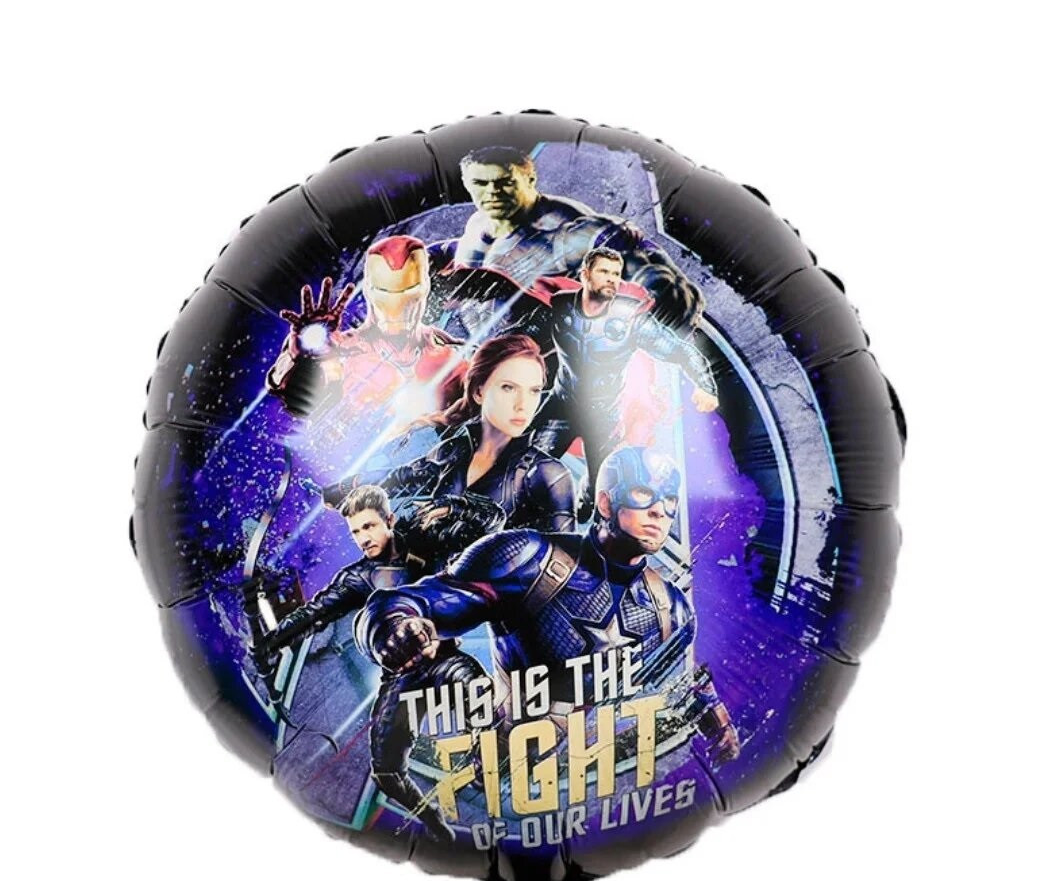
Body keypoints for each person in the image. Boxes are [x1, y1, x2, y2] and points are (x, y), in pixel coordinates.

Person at [357, 446, 739, 763]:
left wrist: (716, 718)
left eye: (669, 500)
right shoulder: (527, 558)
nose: (659, 510)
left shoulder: (672, 611)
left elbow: (680, 679)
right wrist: (393, 626)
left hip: (560, 760)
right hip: (491, 732)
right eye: (643, 494)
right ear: (606, 502)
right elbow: (414, 602)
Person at [253, 483, 496, 843]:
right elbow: (314, 613)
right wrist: (270, 642)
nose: (363, 538)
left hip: (445, 660)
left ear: (389, 520)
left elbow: (492, 523)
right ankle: (436, 826)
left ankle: (488, 769)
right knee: (386, 772)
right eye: (355, 532)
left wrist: (452, 507)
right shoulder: (357, 578)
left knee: (484, 703)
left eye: (368, 526)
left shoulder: (426, 543)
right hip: (401, 677)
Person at [433, 145, 704, 335]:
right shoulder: (479, 224)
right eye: (480, 184)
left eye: (505, 182)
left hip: (554, 366)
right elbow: (469, 254)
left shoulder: (567, 229)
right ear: (467, 184)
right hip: (490, 363)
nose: (493, 192)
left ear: (530, 179)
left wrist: (663, 295)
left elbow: (652, 274)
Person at [324, 332, 576, 534]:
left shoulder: (547, 474)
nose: (523, 404)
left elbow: (563, 558)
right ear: (479, 392)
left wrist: (468, 511)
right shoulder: (455, 451)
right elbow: (400, 478)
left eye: (534, 390)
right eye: (508, 387)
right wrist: (347, 487)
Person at [531, 246, 720, 511]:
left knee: (598, 495)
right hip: (561, 403)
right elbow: (527, 338)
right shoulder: (561, 306)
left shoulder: (631, 320)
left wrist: (705, 385)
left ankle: (586, 498)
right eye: (604, 272)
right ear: (585, 275)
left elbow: (680, 350)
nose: (612, 279)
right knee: (526, 470)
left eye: (616, 274)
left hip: (603, 416)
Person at [267, 235, 464, 422]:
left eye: (409, 292)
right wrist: (295, 357)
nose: (397, 304)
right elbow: (287, 392)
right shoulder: (351, 354)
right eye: (384, 292)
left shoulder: (434, 338)